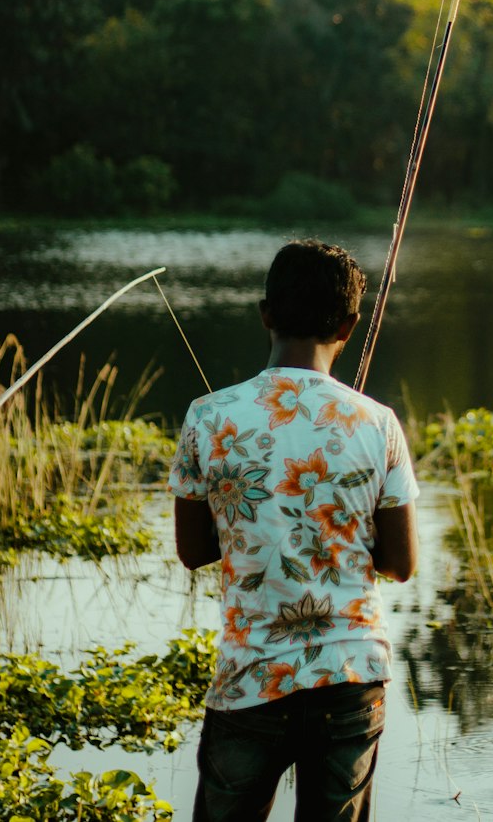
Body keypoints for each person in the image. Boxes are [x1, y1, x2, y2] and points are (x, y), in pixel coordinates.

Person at [168, 238, 419, 822]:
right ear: (351, 326)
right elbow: (401, 565)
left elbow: (193, 551)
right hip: (351, 674)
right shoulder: (379, 424)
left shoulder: (207, 417)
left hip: (250, 675)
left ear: (265, 314)